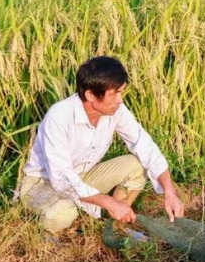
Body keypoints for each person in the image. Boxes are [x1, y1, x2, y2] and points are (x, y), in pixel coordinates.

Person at [17, 56, 185, 234]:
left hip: (83, 175)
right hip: (42, 183)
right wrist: (107, 201)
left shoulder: (116, 110)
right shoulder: (59, 116)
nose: (120, 100)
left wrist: (169, 192)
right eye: (114, 94)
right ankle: (49, 235)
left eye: (121, 92)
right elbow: (61, 178)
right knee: (62, 212)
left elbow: (144, 144)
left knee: (137, 165)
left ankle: (115, 224)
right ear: (90, 95)